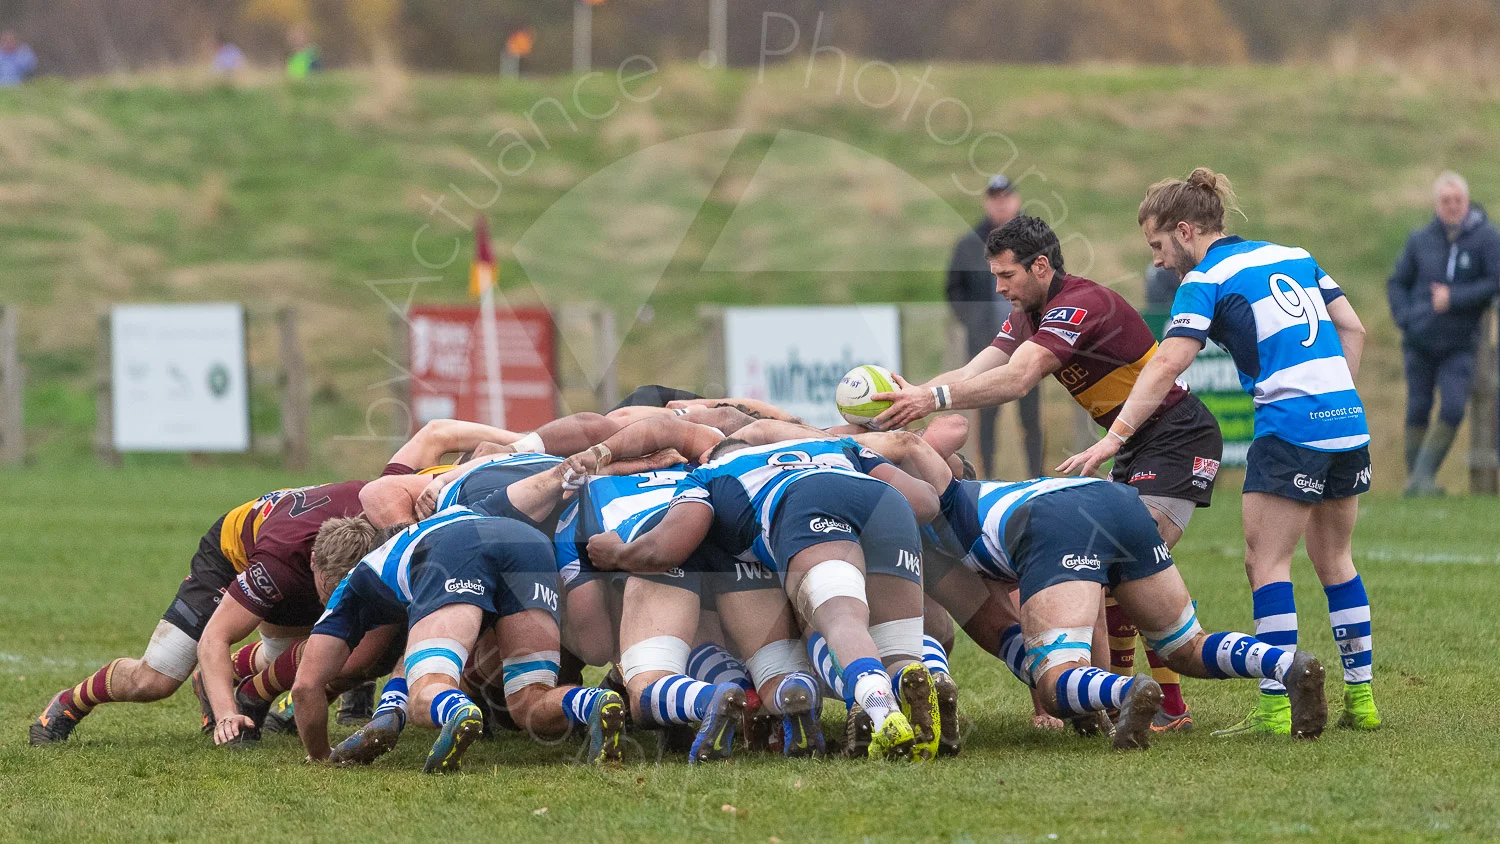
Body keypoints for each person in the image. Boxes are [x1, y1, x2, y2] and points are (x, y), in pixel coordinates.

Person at [1060, 167, 1382, 735]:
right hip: (1346, 421)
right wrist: (1338, 393)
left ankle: (1276, 707)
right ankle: (1363, 701)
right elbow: (1353, 328)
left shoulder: (1206, 277)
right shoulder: (1295, 253)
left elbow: (1167, 363)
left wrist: (1115, 437)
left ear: (1185, 231)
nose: (1157, 260)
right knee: (1336, 561)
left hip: (1291, 427)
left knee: (1267, 562)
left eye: (1158, 245)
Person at [876, 215, 1226, 728]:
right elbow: (976, 370)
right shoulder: (1029, 311)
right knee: (1109, 571)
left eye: (1006, 276)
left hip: (1176, 437)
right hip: (1132, 443)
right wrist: (909, 397)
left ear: (1041, 266)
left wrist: (931, 398)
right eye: (994, 277)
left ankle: (1152, 704)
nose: (999, 288)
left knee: (1116, 563)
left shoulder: (1077, 304)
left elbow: (1017, 380)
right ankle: (1125, 700)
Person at [27, 419, 506, 746]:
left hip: (310, 559)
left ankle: (254, 687)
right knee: (155, 678)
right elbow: (213, 637)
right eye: (332, 595)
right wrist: (225, 713)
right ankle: (70, 702)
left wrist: (528, 442)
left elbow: (438, 433)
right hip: (232, 554)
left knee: (348, 648)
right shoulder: (276, 568)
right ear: (317, 572)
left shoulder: (394, 503)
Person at [576, 416, 949, 760]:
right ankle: (918, 679)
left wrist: (617, 553)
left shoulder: (710, 472)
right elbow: (926, 501)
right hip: (887, 506)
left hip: (797, 507)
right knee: (895, 654)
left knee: (838, 619)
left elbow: (665, 550)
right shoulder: (839, 448)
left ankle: (881, 712)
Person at [293, 506, 626, 772]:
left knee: (424, 693)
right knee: (528, 702)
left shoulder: (350, 587)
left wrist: (320, 754)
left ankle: (456, 710)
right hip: (526, 542)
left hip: (454, 553)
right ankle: (592, 703)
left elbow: (305, 687)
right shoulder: (417, 539)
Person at [1387, 171, 1500, 496]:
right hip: (1419, 340)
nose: (1452, 206)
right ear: (1437, 204)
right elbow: (1397, 282)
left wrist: (1454, 297)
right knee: (1417, 408)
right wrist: (1405, 318)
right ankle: (1418, 484)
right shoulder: (1420, 240)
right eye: (1445, 201)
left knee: (1452, 406)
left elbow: (1495, 282)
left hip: (1460, 343)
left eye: (1458, 200)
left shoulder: (1486, 239)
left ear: (1467, 202)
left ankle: (1420, 479)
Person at [947, 175, 1044, 476]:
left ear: (1015, 199)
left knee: (1030, 419)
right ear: (987, 202)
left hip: (1029, 345)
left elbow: (1049, 282)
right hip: (987, 346)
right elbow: (954, 289)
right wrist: (974, 322)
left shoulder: (1035, 240)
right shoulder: (969, 243)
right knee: (986, 419)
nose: (1000, 204)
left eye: (1005, 197)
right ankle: (985, 478)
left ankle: (1036, 477)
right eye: (994, 198)